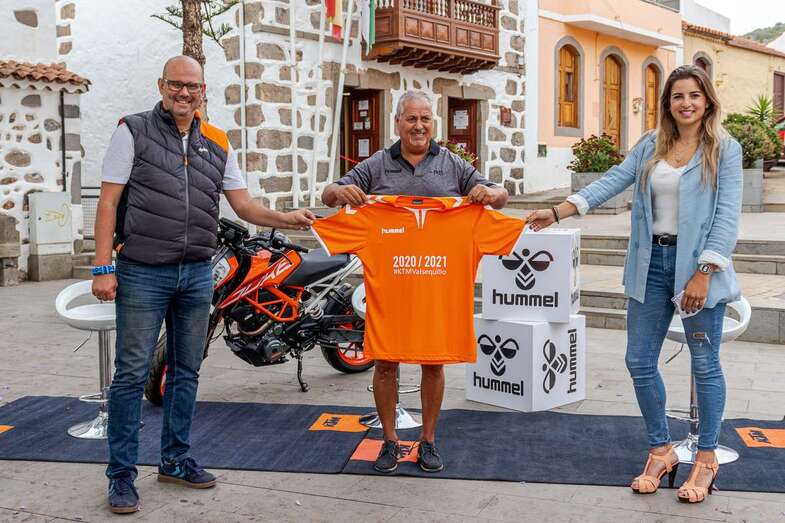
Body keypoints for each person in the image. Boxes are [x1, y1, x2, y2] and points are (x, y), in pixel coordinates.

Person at [92, 55, 315, 514]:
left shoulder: (217, 140)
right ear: (162, 85)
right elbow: (108, 203)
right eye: (176, 84)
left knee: (186, 370)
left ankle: (175, 459)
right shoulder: (131, 130)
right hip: (141, 270)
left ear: (203, 91)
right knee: (131, 375)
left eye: (192, 87)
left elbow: (244, 206)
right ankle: (121, 476)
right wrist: (102, 267)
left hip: (196, 271)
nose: (184, 93)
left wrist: (285, 218)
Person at [527, 65, 742, 504]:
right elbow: (611, 181)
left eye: (694, 96)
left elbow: (727, 216)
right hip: (650, 264)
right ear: (667, 103)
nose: (686, 103)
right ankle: (661, 449)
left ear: (707, 101)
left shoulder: (724, 148)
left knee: (704, 364)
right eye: (677, 96)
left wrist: (704, 272)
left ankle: (705, 458)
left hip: (696, 267)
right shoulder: (650, 145)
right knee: (639, 361)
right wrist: (556, 212)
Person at [321, 90, 509, 474]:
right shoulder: (376, 164)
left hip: (438, 290)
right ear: (398, 123)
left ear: (433, 124)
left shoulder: (453, 165)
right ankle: (389, 441)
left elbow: (500, 196)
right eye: (411, 119)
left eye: (425, 119)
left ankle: (428, 441)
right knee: (386, 362)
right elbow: (329, 195)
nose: (419, 126)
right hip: (391, 291)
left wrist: (489, 193)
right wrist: (340, 192)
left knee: (433, 364)